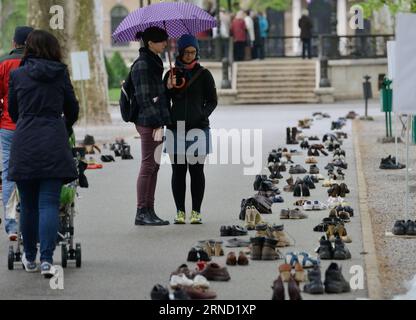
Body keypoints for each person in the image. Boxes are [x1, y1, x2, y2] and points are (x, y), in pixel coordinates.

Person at [8, 30, 79, 275]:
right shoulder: (60, 74)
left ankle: (29, 258)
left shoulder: (17, 75)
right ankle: (47, 260)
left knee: (27, 205)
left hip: (25, 142)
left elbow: (13, 111)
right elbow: (73, 108)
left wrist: (28, 121)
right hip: (53, 143)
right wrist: (62, 127)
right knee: (48, 203)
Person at [164, 34, 217, 225]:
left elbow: (212, 100)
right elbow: (164, 100)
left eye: (193, 52)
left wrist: (202, 114)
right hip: (175, 129)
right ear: (180, 52)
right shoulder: (171, 73)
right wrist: (168, 87)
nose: (189, 55)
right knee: (178, 171)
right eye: (186, 52)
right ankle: (180, 211)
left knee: (196, 171)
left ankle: (196, 211)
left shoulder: (204, 75)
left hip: (198, 129)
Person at [133, 27, 172, 227]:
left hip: (156, 121)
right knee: (148, 165)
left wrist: (167, 86)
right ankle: (141, 211)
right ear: (150, 43)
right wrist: (157, 123)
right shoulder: (142, 65)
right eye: (162, 40)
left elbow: (156, 93)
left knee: (155, 166)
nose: (165, 43)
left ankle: (150, 209)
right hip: (149, 122)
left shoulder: (154, 62)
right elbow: (144, 99)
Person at [0, 26, 33, 241]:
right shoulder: (38, 63)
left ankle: (11, 225)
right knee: (33, 173)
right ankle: (32, 220)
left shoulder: (3, 64)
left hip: (8, 128)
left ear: (14, 43)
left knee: (8, 173)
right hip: (33, 128)